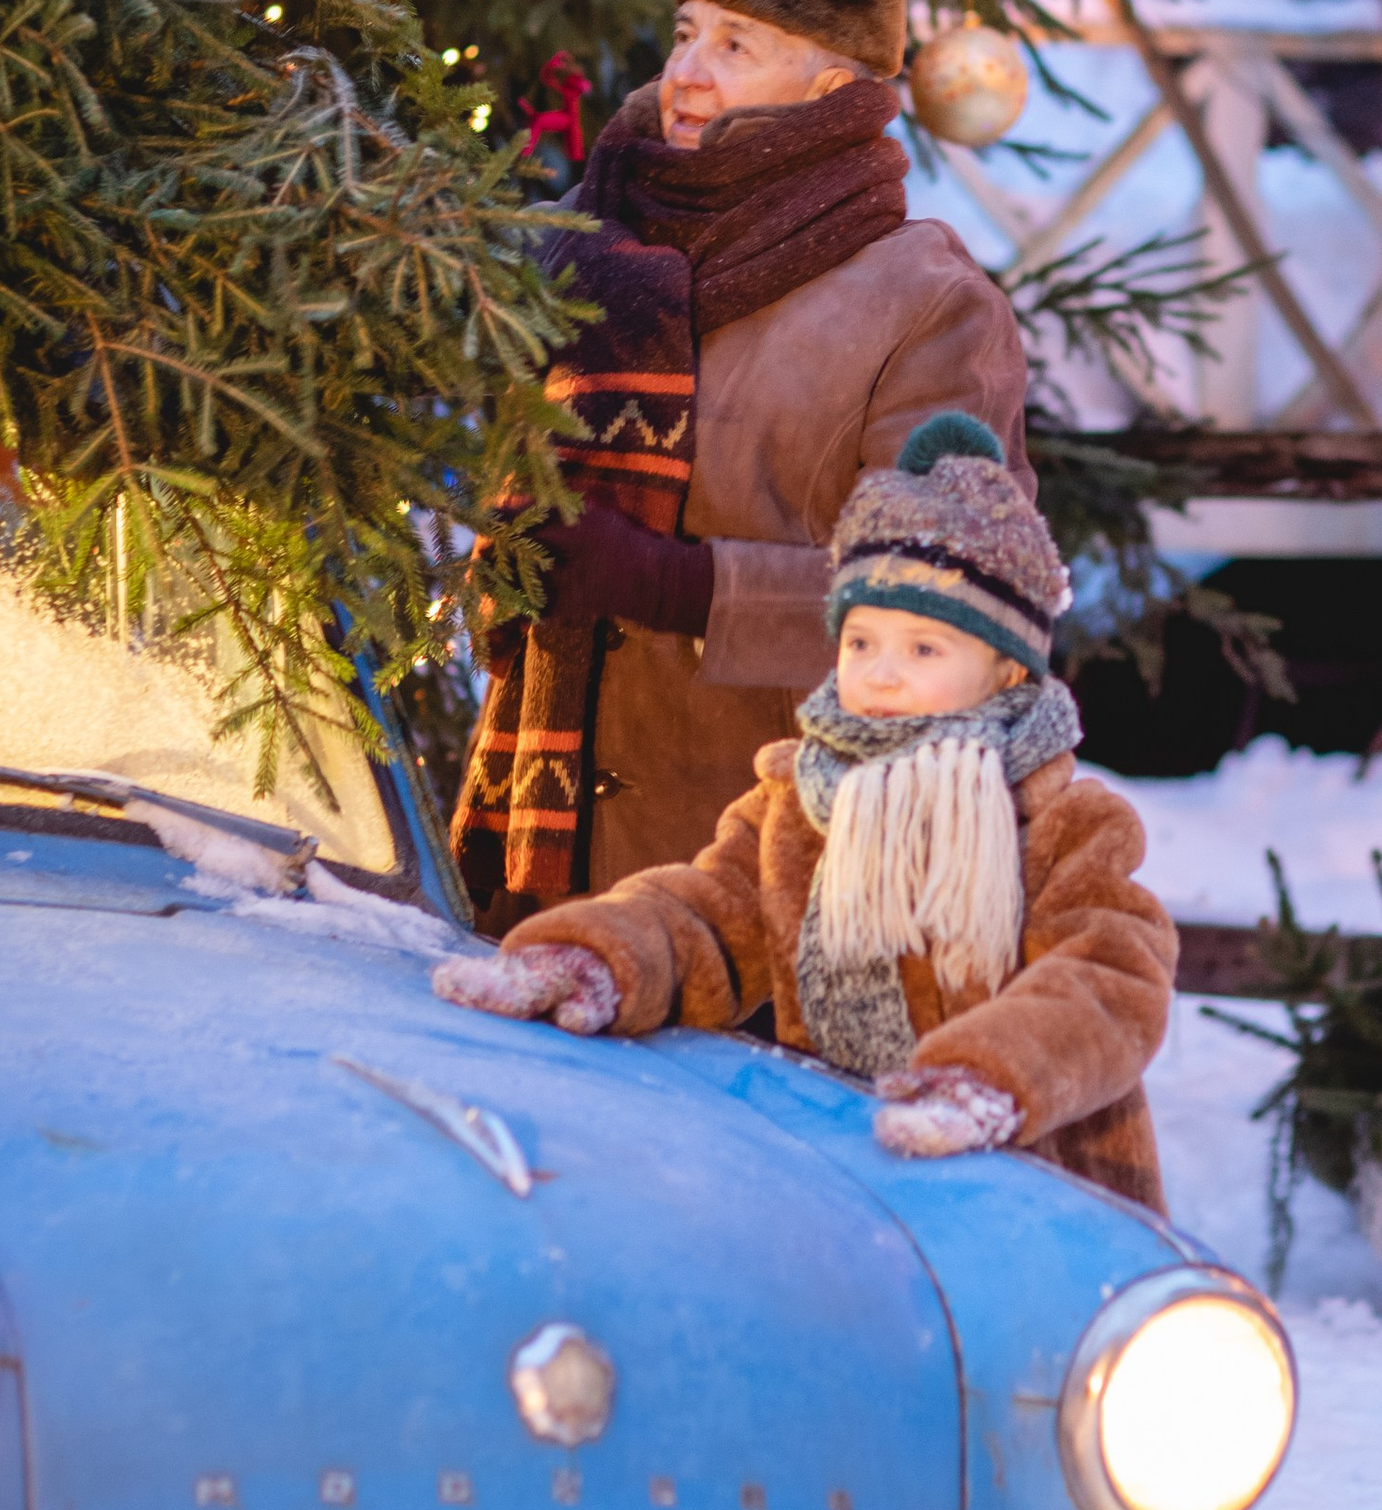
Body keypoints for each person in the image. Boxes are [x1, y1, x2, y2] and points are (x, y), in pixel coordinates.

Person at [450, 0, 1029, 931]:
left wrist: (681, 586)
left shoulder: (927, 304)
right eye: (685, 32)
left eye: (734, 46)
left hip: (765, 898)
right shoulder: (575, 247)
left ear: (829, 91)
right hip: (537, 872)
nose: (684, 73)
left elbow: (964, 607)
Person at [436, 415, 1173, 1210]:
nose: (882, 675)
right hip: (847, 1184)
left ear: (1003, 674)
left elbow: (1111, 977)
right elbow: (708, 916)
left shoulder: (1065, 825)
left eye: (923, 650)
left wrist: (986, 1079)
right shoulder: (799, 803)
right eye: (861, 642)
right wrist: (600, 956)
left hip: (1036, 1195)